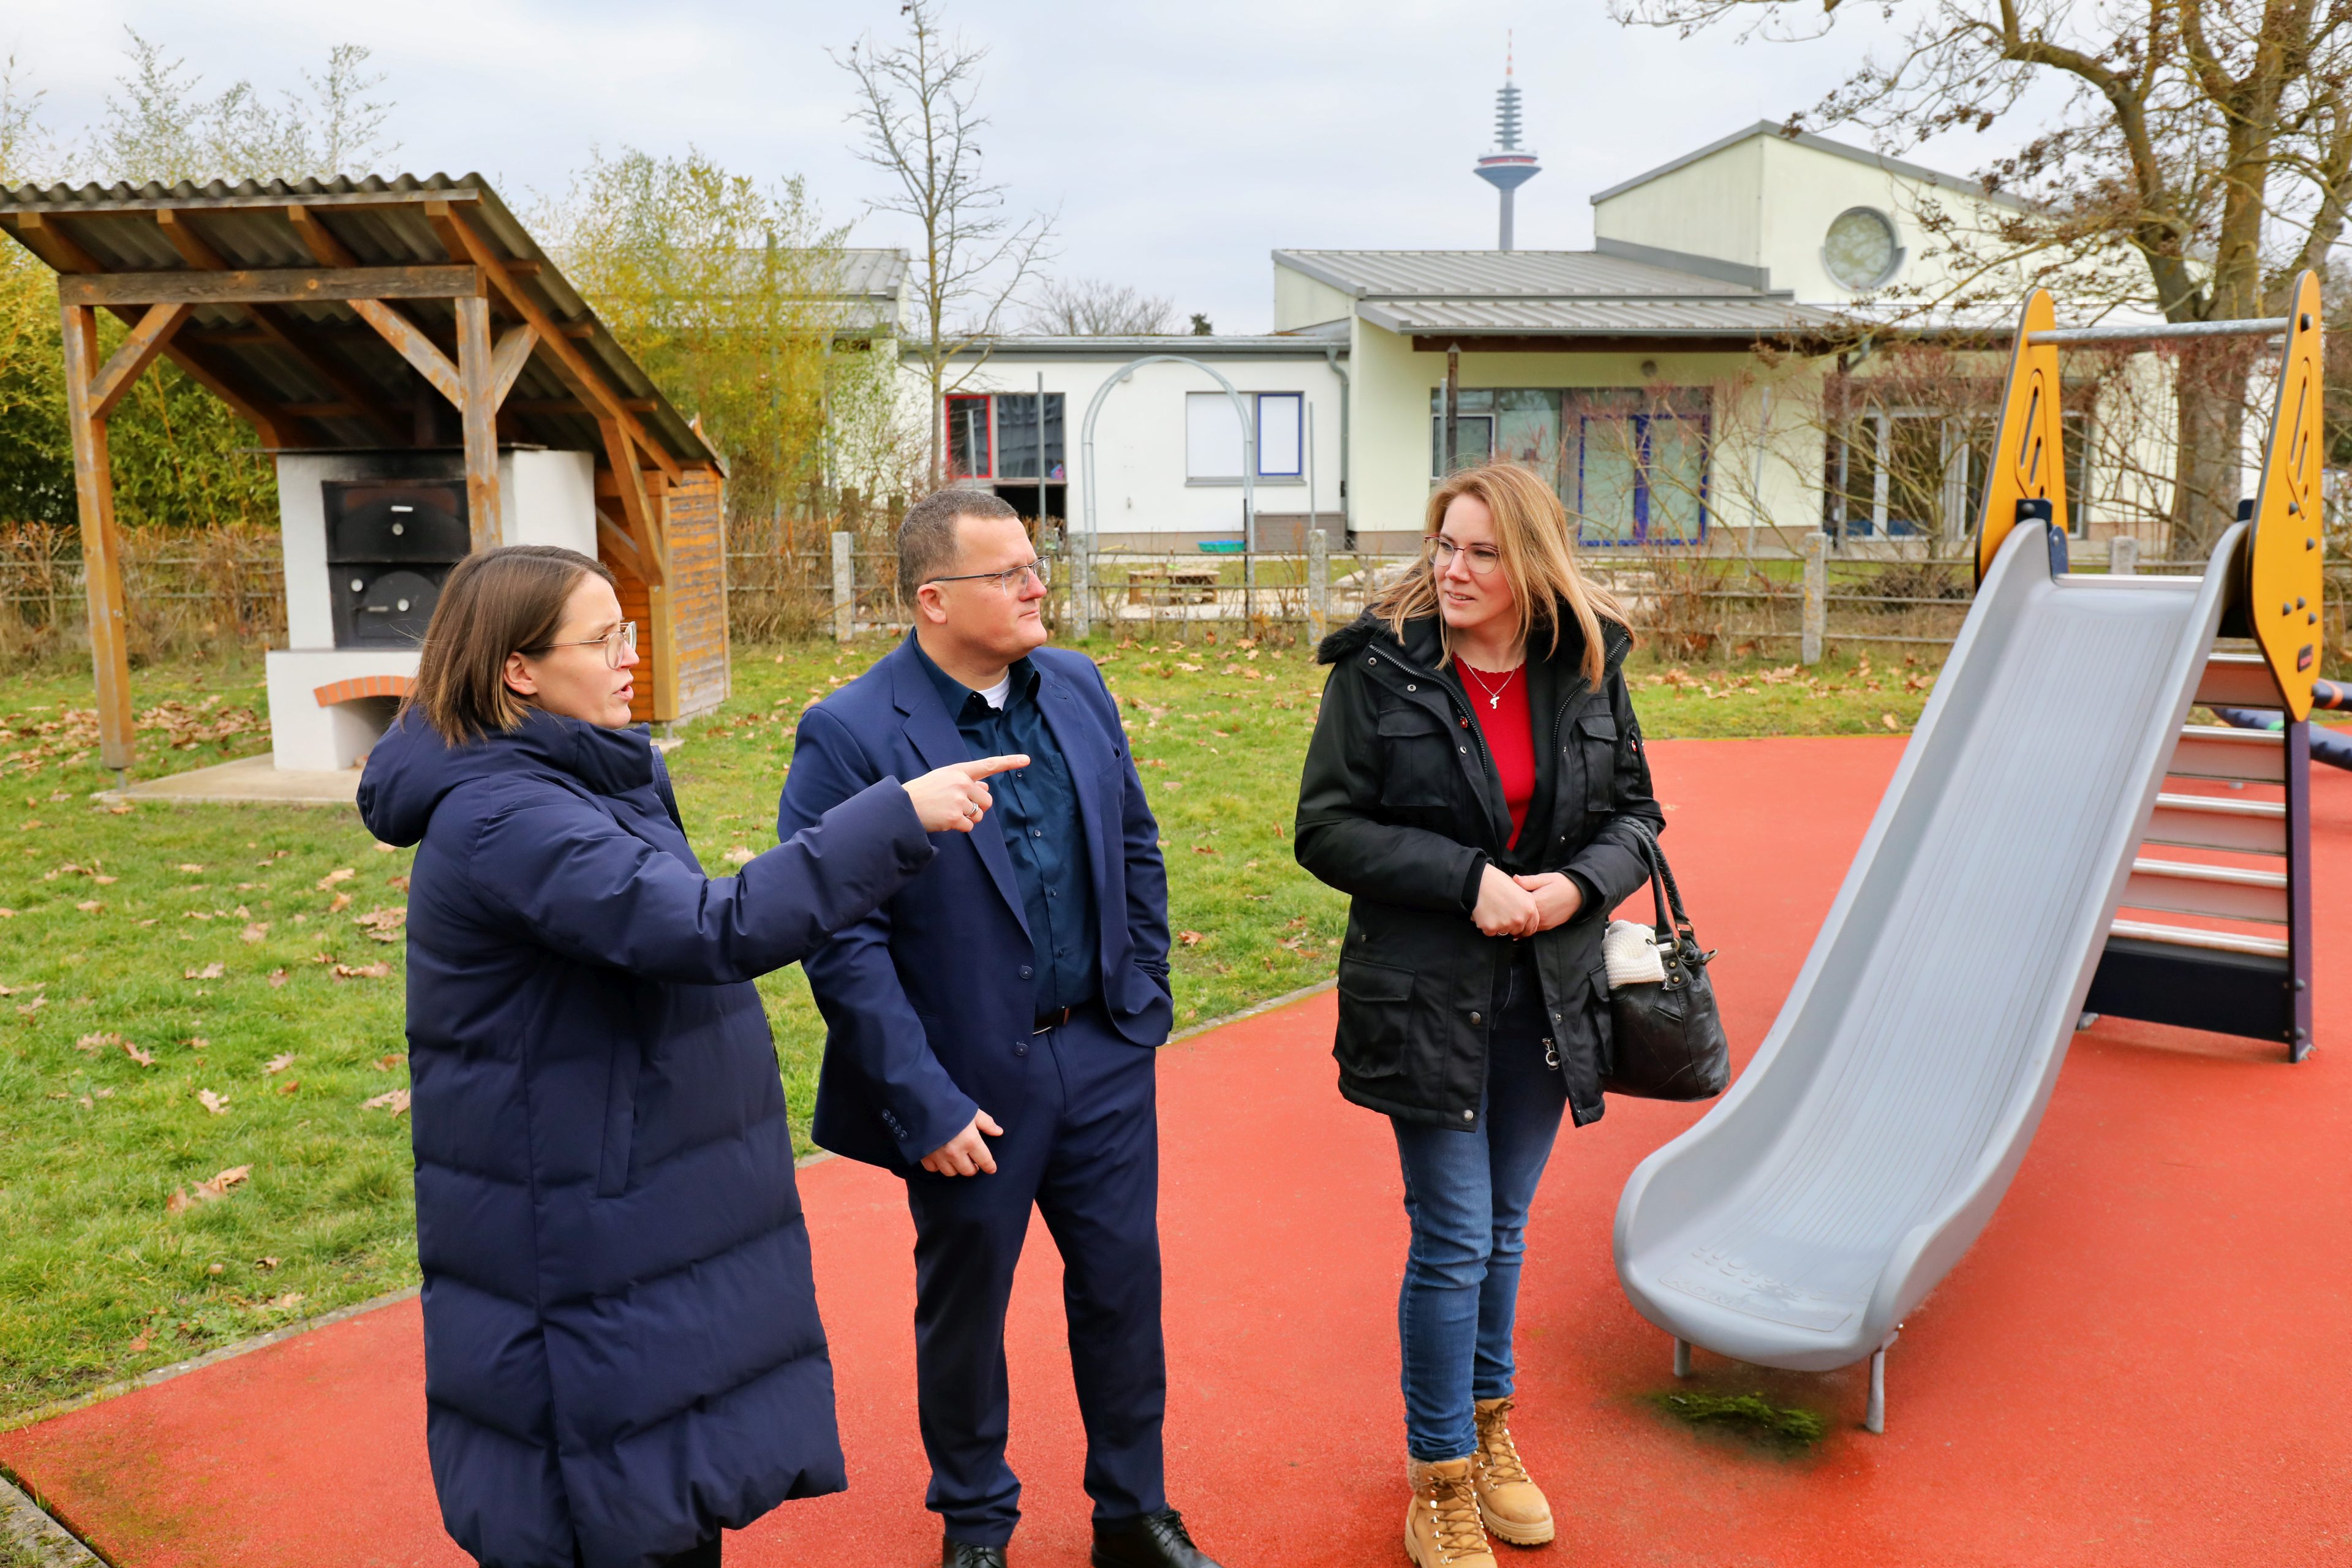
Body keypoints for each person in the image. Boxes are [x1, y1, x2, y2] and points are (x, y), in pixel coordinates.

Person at [357, 544, 1024, 1568]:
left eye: (626, 632)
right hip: (583, 1209)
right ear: (518, 672)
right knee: (611, 1509)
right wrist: (894, 814)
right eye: (603, 640)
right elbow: (707, 930)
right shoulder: (508, 814)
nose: (631, 658)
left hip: (636, 1191)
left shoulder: (570, 775)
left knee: (661, 1493)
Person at [778, 491, 1224, 1568]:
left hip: (1104, 1052)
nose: (1039, 586)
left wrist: (1143, 995)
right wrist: (922, 1099)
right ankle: (976, 1522)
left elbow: (1135, 841)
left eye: (1038, 562)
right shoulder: (849, 731)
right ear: (934, 601)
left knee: (1123, 1289)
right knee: (967, 1310)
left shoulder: (1075, 683)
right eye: (1010, 573)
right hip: (967, 1083)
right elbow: (842, 941)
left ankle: (1133, 1513)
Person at [1294, 463, 1664, 1568]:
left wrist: (1577, 886)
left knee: (1505, 1228)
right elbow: (1325, 829)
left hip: (1549, 994)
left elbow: (1640, 811)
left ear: (1531, 563)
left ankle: (1494, 1437)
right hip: (1426, 995)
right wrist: (1467, 878)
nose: (1453, 571)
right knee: (1456, 1237)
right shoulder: (1381, 670)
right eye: (1446, 546)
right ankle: (1441, 1474)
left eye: (1482, 553)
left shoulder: (1585, 662)